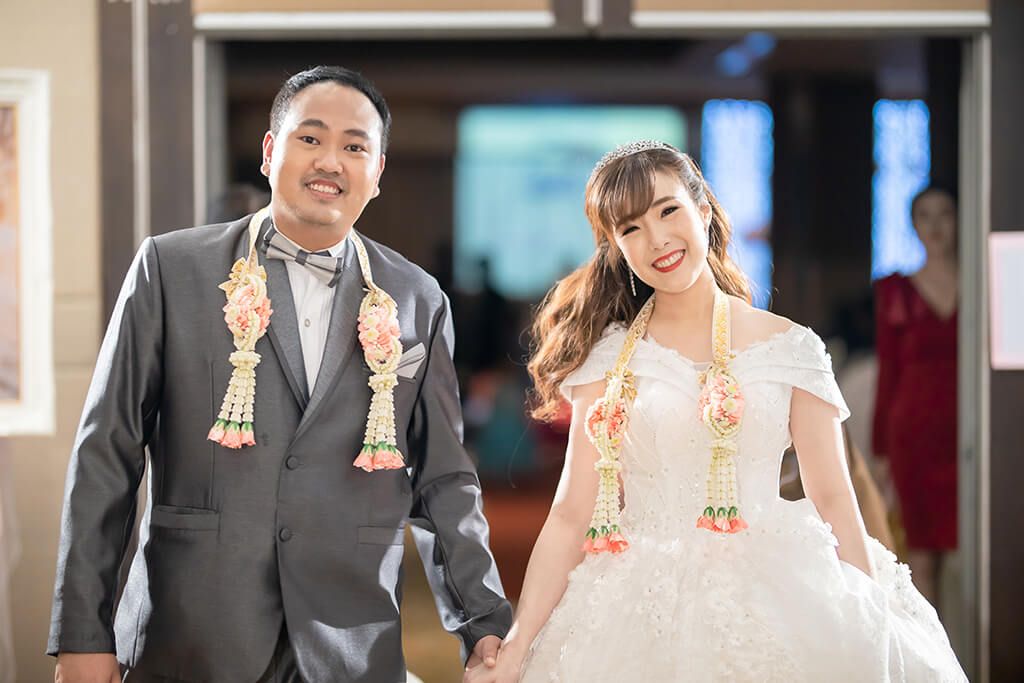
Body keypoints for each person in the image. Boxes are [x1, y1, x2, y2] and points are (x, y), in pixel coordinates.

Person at [48, 66, 511, 683]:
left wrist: (482, 622)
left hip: (351, 638)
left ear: (377, 173)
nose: (331, 161)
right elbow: (106, 454)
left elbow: (444, 478)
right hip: (192, 631)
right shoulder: (171, 269)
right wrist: (84, 632)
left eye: (355, 147)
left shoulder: (417, 298)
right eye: (310, 138)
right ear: (271, 151)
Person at [466, 142, 966, 682]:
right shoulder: (608, 361)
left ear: (703, 210)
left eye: (668, 210)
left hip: (777, 588)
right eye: (631, 229)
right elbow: (570, 515)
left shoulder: (791, 347)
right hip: (635, 604)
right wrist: (518, 644)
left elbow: (833, 497)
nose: (657, 239)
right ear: (616, 247)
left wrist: (870, 622)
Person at [872, 185, 959, 610]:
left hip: (970, 432)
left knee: (975, 545)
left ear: (959, 220)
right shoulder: (896, 290)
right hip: (915, 435)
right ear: (913, 225)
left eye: (945, 214)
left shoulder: (982, 284)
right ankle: (935, 649)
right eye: (925, 216)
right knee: (921, 556)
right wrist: (880, 451)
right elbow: (888, 372)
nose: (936, 226)